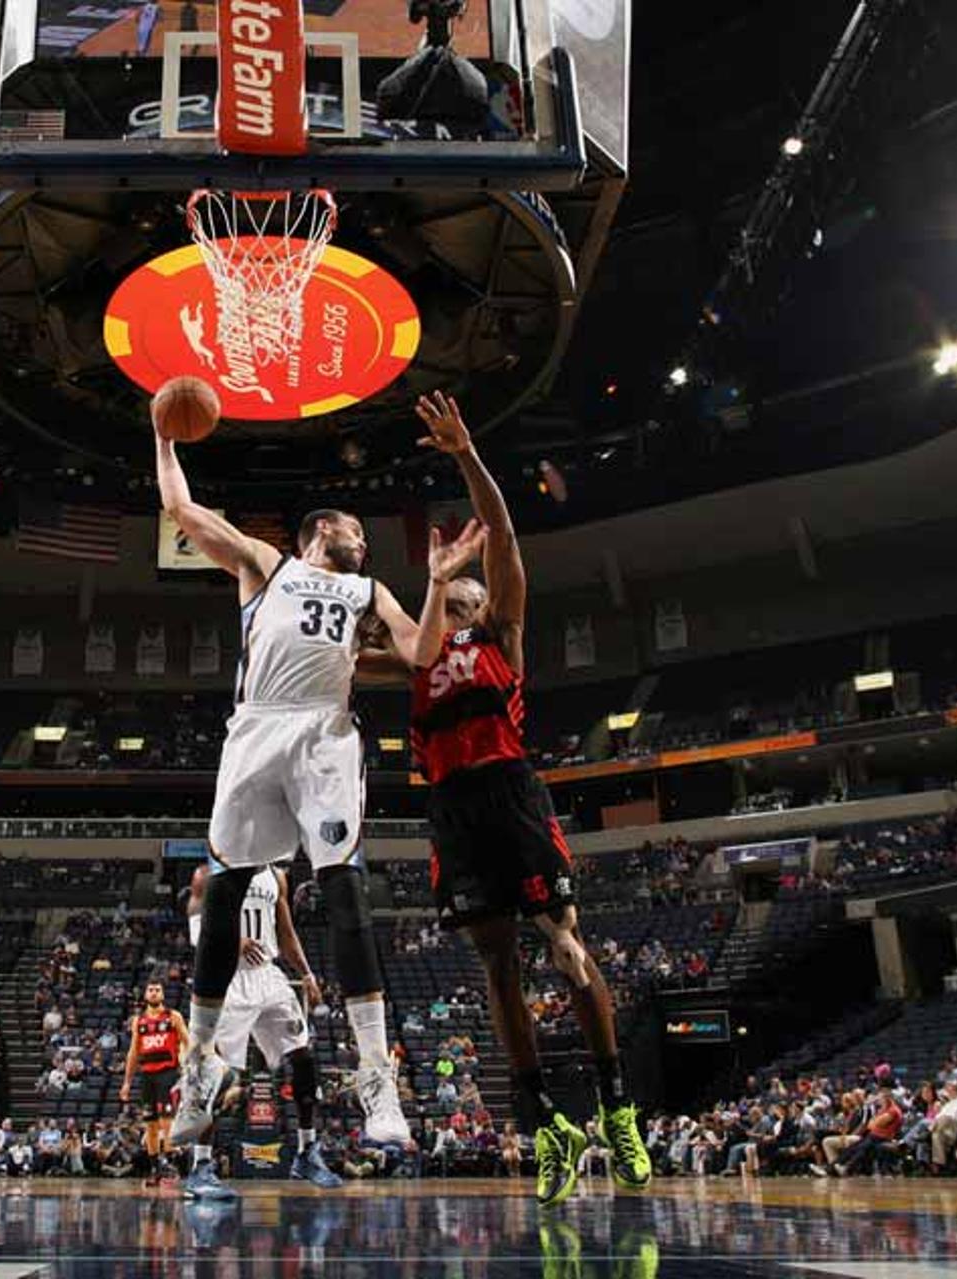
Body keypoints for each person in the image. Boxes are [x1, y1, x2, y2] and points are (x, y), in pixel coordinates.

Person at [363, 391, 652, 1203]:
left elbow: (508, 539)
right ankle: (545, 1124)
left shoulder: (501, 632)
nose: (468, 589)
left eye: (471, 584)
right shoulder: (416, 653)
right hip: (452, 806)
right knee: (497, 967)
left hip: (511, 793)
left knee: (565, 946)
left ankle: (617, 1104)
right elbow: (344, 657)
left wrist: (464, 455)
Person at [155, 427, 436, 1148]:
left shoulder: (368, 589)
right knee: (224, 894)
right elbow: (183, 511)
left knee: (345, 890)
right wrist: (163, 437)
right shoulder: (267, 565)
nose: (363, 542)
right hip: (256, 728)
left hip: (325, 736)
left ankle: (377, 1081)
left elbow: (420, 653)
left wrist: (436, 584)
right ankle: (200, 1070)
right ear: (320, 532)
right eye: (354, 529)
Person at [179, 861, 343, 1201]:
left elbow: (285, 932)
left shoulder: (276, 876)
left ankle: (306, 1151)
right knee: (217, 1076)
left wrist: (307, 974)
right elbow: (196, 929)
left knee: (303, 1060)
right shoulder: (208, 874)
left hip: (269, 976)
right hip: (228, 978)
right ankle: (201, 1167)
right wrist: (231, 941)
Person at [120, 981, 187, 1182]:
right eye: (151, 989)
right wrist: (127, 1082)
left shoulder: (173, 1017)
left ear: (163, 994)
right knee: (150, 1124)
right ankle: (154, 1168)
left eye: (158, 989)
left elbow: (188, 1041)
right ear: (145, 995)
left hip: (168, 1074)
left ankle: (168, 1163)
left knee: (167, 1122)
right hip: (147, 1076)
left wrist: (189, 1065)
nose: (154, 992)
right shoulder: (138, 1021)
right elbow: (133, 1053)